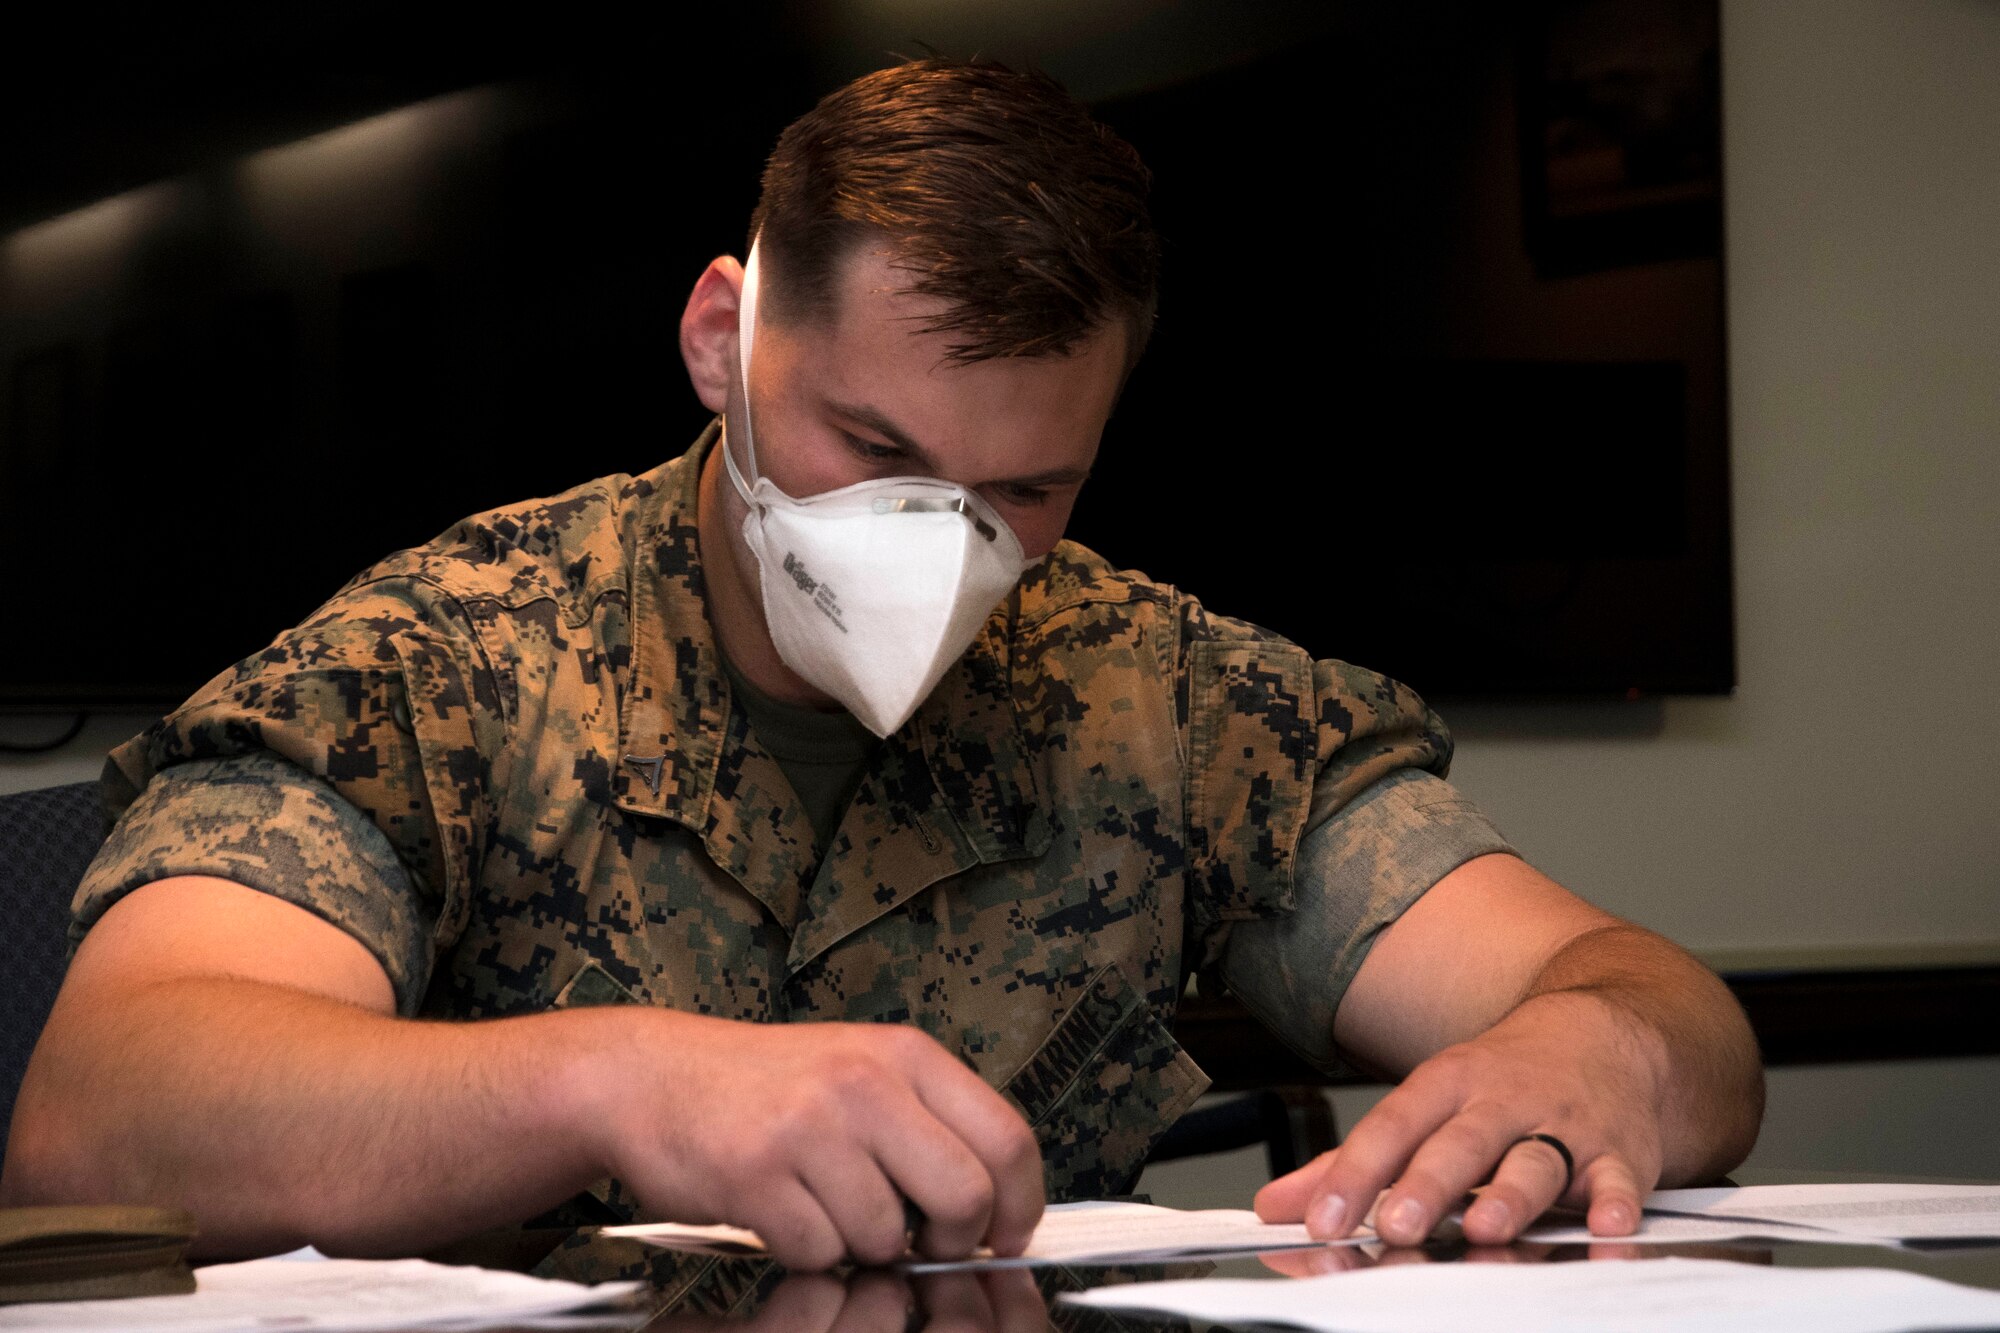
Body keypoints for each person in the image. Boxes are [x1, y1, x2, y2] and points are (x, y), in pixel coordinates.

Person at [0, 58, 1762, 1272]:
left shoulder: (1166, 697)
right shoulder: (443, 662)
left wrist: (1606, 1048)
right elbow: (108, 1112)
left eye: (1023, 489)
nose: (943, 549)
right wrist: (616, 1075)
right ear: (722, 341)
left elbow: (1654, 1001)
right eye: (873, 450)